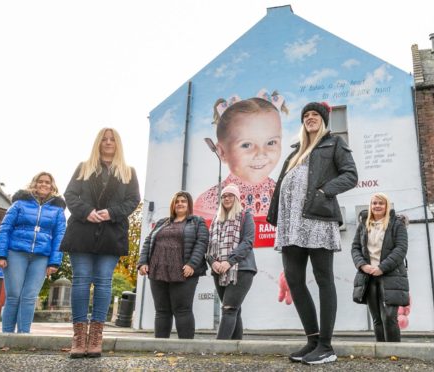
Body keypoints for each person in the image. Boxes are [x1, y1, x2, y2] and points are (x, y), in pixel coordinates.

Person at [267, 101, 358, 365]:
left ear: (324, 119)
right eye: (306, 115)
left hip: (317, 219)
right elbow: (283, 185)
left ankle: (327, 346)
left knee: (323, 279)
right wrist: (276, 216)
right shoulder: (295, 151)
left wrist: (324, 192)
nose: (310, 118)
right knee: (294, 280)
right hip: (291, 225)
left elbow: (350, 175)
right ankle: (312, 339)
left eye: (315, 114)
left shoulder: (334, 144)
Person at [60, 128, 140, 358]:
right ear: (98, 143)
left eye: (112, 139)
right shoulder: (84, 167)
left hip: (111, 233)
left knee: (104, 282)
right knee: (81, 281)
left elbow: (133, 199)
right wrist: (87, 212)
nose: (107, 142)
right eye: (104, 139)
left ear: (118, 144)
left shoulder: (128, 172)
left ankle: (96, 336)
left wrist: (111, 212)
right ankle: (78, 336)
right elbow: (70, 194)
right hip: (82, 232)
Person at [194, 91, 288, 220]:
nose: (261, 153)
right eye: (246, 145)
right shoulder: (207, 203)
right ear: (222, 152)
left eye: (271, 142)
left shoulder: (284, 196)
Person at [0, 172, 66, 333]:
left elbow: (59, 237)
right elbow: (5, 228)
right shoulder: (19, 204)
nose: (44, 184)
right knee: (14, 295)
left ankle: (24, 335)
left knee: (29, 296)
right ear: (34, 183)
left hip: (41, 257)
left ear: (52, 186)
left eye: (48, 182)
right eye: (40, 181)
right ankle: (6, 334)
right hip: (16, 252)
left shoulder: (58, 210)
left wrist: (54, 262)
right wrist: (0, 254)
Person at [137, 191, 208, 339]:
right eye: (177, 201)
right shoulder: (162, 222)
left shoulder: (197, 222)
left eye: (183, 201)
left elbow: (201, 244)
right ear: (173, 205)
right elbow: (148, 242)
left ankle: (186, 348)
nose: (180, 204)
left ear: (189, 204)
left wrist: (192, 264)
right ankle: (160, 346)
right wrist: (143, 262)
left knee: (182, 309)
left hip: (184, 271)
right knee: (162, 311)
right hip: (158, 270)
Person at [350, 193, 409, 342]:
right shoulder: (364, 225)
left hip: (391, 275)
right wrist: (362, 265)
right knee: (376, 318)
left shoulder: (396, 224)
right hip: (368, 276)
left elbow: (400, 249)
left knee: (389, 316)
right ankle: (382, 352)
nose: (377, 206)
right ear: (370, 206)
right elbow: (355, 248)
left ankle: (394, 351)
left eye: (381, 203)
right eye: (374, 203)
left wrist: (382, 267)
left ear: (387, 206)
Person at [206, 184, 257, 340]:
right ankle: (236, 347)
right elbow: (208, 246)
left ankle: (218, 348)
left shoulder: (245, 215)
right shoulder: (216, 221)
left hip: (241, 269)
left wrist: (229, 261)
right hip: (218, 271)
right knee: (235, 309)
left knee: (228, 308)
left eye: (230, 196)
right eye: (223, 196)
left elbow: (247, 242)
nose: (226, 198)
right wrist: (213, 262)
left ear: (236, 198)